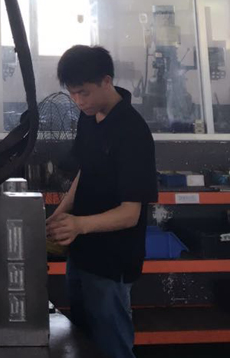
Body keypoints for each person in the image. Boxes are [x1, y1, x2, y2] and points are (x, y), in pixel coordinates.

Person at [46, 45, 158, 358]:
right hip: (82, 255)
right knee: (82, 341)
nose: (78, 101)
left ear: (106, 81)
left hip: (112, 262)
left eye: (84, 93)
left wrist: (78, 225)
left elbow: (130, 214)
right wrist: (59, 215)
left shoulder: (132, 132)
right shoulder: (89, 118)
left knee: (112, 346)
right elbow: (85, 172)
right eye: (72, 94)